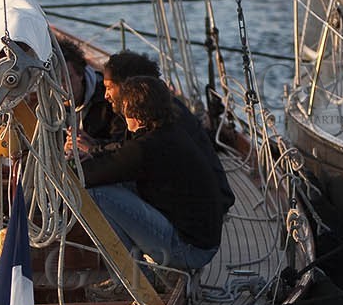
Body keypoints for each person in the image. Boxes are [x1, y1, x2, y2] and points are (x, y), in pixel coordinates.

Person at [81, 76, 232, 272]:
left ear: (133, 111)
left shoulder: (147, 147)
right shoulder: (169, 133)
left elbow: (89, 176)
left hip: (187, 250)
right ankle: (137, 271)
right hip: (200, 243)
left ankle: (135, 279)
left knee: (97, 194)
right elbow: (118, 162)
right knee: (114, 185)